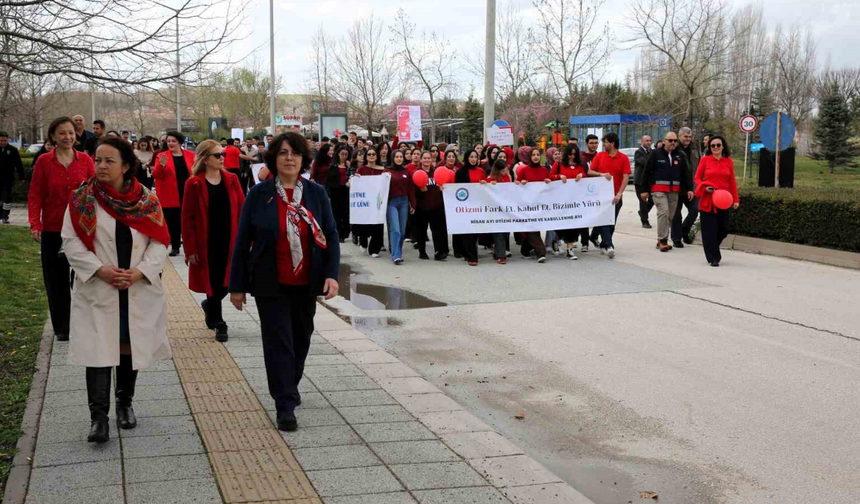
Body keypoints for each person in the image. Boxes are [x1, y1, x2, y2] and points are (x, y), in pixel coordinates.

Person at [61, 136, 172, 443]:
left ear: (126, 165)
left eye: (109, 161)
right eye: (98, 160)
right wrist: (101, 270)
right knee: (97, 351)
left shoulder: (146, 200)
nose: (101, 166)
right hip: (99, 285)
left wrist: (140, 272)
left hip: (135, 286)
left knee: (127, 345)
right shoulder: (82, 199)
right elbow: (70, 241)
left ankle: (125, 404)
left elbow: (160, 240)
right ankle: (98, 419)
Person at [229, 131, 340, 432]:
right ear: (273, 158)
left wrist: (332, 274)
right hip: (270, 282)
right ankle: (284, 404)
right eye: (282, 152)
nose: (289, 157)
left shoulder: (316, 193)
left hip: (307, 282)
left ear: (303, 158)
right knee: (279, 342)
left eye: (295, 153)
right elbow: (242, 241)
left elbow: (330, 235)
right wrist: (236, 285)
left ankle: (289, 384)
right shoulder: (259, 194)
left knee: (301, 338)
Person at [28, 117, 96, 341]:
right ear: (53, 136)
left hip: (82, 230)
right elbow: (35, 194)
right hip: (53, 229)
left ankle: (85, 323)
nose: (67, 137)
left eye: (71, 133)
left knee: (85, 278)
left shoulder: (85, 160)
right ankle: (63, 327)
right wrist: (35, 223)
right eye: (62, 133)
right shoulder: (44, 162)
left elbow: (95, 191)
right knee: (56, 281)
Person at [181, 140, 245, 342]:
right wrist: (190, 248)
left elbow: (243, 210)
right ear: (205, 159)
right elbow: (187, 217)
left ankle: (209, 305)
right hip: (206, 241)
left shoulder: (232, 179)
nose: (222, 158)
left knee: (228, 281)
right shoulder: (194, 183)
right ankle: (219, 322)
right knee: (214, 280)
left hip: (230, 239)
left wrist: (248, 239)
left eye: (223, 154)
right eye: (218, 155)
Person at [639, 132, 694, 252]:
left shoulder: (680, 155)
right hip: (658, 190)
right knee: (663, 212)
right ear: (664, 141)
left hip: (674, 191)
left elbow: (686, 173)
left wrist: (690, 189)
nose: (673, 143)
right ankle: (663, 240)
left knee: (670, 216)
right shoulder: (655, 154)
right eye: (670, 140)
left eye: (675, 140)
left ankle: (661, 240)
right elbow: (646, 172)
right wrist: (643, 190)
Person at [695, 135, 739, 267]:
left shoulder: (728, 162)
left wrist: (736, 199)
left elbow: (732, 182)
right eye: (712, 146)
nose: (715, 147)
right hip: (708, 200)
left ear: (723, 146)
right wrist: (704, 186)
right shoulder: (705, 160)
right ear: (709, 148)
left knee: (724, 228)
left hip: (724, 200)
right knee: (709, 230)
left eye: (718, 145)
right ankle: (713, 257)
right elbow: (697, 178)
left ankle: (712, 247)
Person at [587, 132, 630, 258]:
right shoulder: (600, 156)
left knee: (611, 222)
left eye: (605, 142)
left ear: (612, 143)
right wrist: (601, 174)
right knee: (606, 221)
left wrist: (619, 194)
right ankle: (608, 245)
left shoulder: (623, 158)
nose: (603, 144)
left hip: (616, 196)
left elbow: (626, 177)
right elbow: (590, 171)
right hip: (600, 196)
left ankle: (597, 238)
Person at [153, 131, 195, 256]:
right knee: (173, 221)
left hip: (187, 191)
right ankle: (175, 246)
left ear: (179, 142)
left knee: (188, 220)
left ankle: (189, 246)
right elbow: (156, 175)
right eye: (168, 141)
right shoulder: (162, 156)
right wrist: (161, 165)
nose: (170, 143)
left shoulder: (190, 155)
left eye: (173, 141)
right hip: (169, 194)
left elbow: (195, 171)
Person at [550, 143, 588, 260]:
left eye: (574, 154)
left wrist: (582, 175)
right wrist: (559, 176)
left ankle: (570, 250)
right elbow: (550, 176)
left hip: (575, 200)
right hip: (561, 200)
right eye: (570, 154)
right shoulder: (559, 164)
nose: (572, 156)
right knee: (562, 224)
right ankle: (557, 238)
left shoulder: (580, 165)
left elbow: (585, 177)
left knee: (573, 225)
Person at [515, 147, 551, 263]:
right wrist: (521, 183)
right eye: (533, 155)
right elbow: (516, 185)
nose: (536, 157)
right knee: (532, 229)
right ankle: (541, 252)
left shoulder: (544, 170)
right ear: (529, 157)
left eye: (537, 154)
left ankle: (525, 250)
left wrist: (549, 181)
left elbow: (551, 184)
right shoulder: (524, 170)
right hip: (528, 205)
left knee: (534, 227)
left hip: (541, 204)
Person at [412, 151, 448, 261]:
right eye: (425, 158)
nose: (427, 160)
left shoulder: (436, 172)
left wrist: (443, 188)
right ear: (421, 160)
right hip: (422, 207)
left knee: (436, 230)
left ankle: (438, 252)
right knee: (422, 231)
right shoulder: (417, 173)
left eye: (429, 158)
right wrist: (420, 190)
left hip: (436, 207)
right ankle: (422, 252)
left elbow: (442, 184)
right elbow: (413, 191)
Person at [453, 149, 486, 266]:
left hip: (478, 206)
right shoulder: (460, 172)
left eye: (475, 157)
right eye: (471, 157)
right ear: (467, 158)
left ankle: (468, 253)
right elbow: (455, 189)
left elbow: (485, 185)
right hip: (465, 207)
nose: (473, 159)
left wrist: (485, 183)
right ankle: (473, 257)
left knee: (475, 231)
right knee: (467, 232)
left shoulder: (481, 171)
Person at [353, 146, 386, 257]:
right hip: (365, 202)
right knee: (364, 223)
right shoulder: (361, 169)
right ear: (366, 157)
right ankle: (363, 241)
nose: (371, 156)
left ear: (377, 156)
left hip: (377, 201)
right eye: (369, 154)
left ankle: (375, 249)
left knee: (378, 224)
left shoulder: (382, 169)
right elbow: (357, 184)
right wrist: (355, 179)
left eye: (373, 154)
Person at [384, 150, 416, 265]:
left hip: (403, 202)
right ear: (393, 158)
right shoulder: (387, 171)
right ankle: (395, 255)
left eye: (400, 157)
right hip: (391, 203)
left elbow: (410, 189)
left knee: (402, 231)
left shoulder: (406, 172)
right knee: (395, 230)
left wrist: (413, 203)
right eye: (396, 157)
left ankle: (398, 252)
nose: (399, 159)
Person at [672, 127, 700, 246]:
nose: (688, 139)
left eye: (690, 137)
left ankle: (685, 230)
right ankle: (676, 238)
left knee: (695, 210)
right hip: (676, 188)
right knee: (676, 214)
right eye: (685, 137)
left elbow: (698, 166)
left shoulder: (695, 149)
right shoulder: (673, 148)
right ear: (679, 136)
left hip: (692, 187)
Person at [481, 159, 513, 264]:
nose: (505, 172)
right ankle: (501, 255)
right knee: (498, 232)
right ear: (497, 170)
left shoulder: (508, 177)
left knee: (505, 233)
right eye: (503, 171)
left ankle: (498, 251)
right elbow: (486, 192)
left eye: (506, 170)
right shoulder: (490, 179)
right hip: (495, 209)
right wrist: (489, 185)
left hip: (505, 208)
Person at [326, 144, 351, 243]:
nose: (344, 156)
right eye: (342, 154)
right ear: (338, 154)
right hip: (336, 192)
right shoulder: (333, 166)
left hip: (346, 191)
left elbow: (353, 175)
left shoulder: (349, 166)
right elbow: (329, 181)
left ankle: (346, 231)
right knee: (336, 213)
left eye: (346, 154)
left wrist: (349, 167)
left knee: (346, 212)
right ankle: (339, 233)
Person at [0, 131, 25, 224]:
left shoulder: (13, 150)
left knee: (6, 197)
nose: (3, 143)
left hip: (8, 178)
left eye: (4, 141)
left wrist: (21, 176)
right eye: (1, 141)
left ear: (8, 139)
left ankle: (5, 216)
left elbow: (19, 164)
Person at [633, 134, 654, 229]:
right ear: (642, 142)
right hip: (640, 181)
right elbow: (645, 163)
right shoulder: (638, 152)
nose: (649, 142)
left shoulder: (652, 152)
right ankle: (645, 221)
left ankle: (642, 212)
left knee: (653, 200)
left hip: (650, 181)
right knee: (643, 201)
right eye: (647, 141)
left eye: (650, 140)